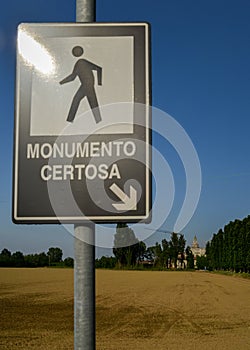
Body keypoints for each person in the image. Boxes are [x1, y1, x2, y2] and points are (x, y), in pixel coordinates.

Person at [60, 46, 102, 123]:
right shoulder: (79, 63)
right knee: (92, 102)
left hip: (87, 85)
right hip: (86, 85)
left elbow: (99, 69)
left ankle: (70, 120)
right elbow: (73, 77)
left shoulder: (81, 62)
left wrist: (99, 83)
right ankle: (98, 120)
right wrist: (61, 82)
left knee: (79, 100)